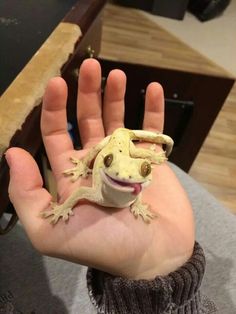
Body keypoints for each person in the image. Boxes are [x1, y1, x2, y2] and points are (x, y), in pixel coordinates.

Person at [4, 58, 217, 313]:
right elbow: (81, 191)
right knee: (102, 151)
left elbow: (132, 190)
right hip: (114, 145)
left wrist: (156, 264)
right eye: (108, 163)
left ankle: (133, 160)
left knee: (132, 168)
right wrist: (84, 169)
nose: (127, 179)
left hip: (125, 149)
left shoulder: (133, 189)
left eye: (145, 171)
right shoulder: (97, 190)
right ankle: (108, 160)